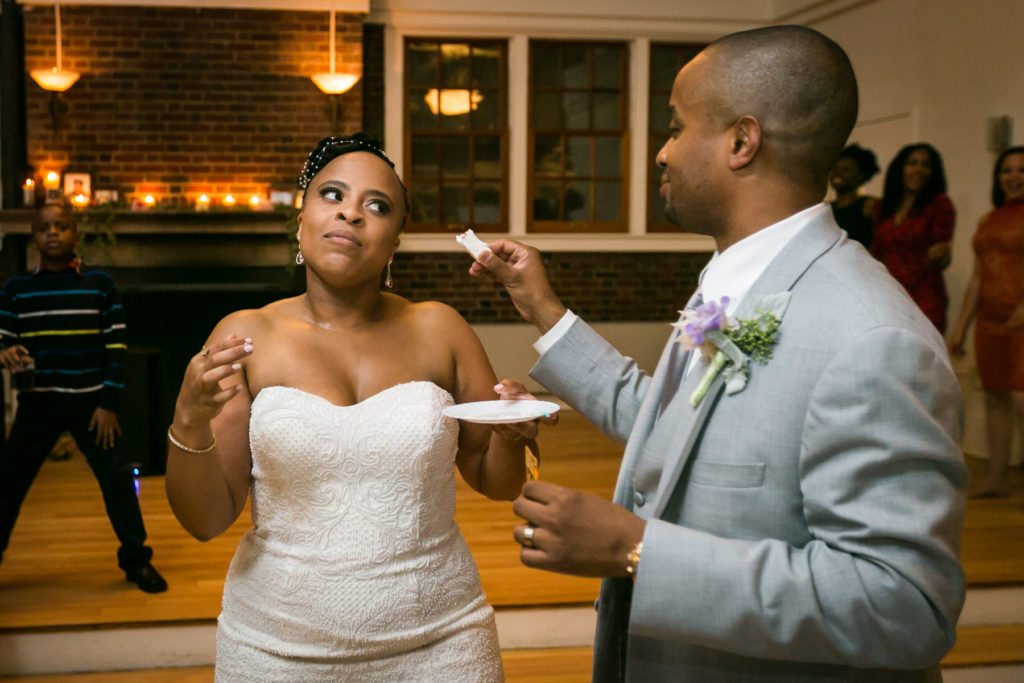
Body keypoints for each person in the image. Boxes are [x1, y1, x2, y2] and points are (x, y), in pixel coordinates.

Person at [470, 26, 966, 681]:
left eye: (675, 127)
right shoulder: (737, 283)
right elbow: (672, 423)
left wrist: (636, 548)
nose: (661, 152)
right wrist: (541, 307)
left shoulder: (873, 338)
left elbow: (902, 605)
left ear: (741, 141)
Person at [166, 133, 536, 681]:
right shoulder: (245, 336)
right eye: (332, 195)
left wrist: (512, 435)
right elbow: (205, 520)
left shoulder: (442, 329)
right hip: (277, 649)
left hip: (442, 643)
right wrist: (189, 421)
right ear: (301, 220)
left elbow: (496, 480)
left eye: (377, 205)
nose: (351, 214)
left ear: (395, 242)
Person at [0, 205, 167, 593]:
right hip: (38, 404)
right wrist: (5, 352)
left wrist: (109, 403)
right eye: (44, 228)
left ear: (76, 233)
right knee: (8, 483)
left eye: (61, 226)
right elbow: (5, 339)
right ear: (33, 236)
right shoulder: (16, 289)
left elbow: (115, 345)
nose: (53, 233)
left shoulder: (99, 283)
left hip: (93, 406)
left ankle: (136, 560)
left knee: (118, 482)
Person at [949, 145, 1024, 498]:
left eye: (1021, 170)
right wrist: (961, 326)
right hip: (990, 321)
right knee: (996, 398)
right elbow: (978, 278)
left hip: (1020, 319)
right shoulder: (988, 220)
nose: (1014, 177)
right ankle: (997, 478)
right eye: (1007, 170)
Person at [871, 143, 956, 332]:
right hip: (888, 296)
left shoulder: (939, 204)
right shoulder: (882, 208)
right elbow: (876, 252)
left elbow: (942, 254)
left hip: (925, 298)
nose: (919, 169)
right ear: (900, 168)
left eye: (926, 165)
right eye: (912, 163)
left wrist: (943, 255)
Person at [829, 143, 880, 247]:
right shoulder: (827, 208)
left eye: (846, 170)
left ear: (861, 175)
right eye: (835, 169)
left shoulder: (869, 206)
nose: (838, 173)